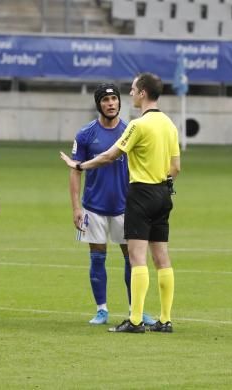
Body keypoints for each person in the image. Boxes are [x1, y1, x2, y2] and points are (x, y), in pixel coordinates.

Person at [60, 72, 180, 334]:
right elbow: (176, 167)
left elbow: (110, 155)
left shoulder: (136, 126)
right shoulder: (170, 124)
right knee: (162, 259)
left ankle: (135, 319)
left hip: (138, 196)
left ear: (143, 93)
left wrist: (79, 165)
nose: (129, 95)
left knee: (136, 259)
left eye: (133, 90)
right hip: (163, 194)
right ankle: (165, 319)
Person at [68, 84, 155, 326]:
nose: (111, 104)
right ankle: (101, 310)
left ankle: (134, 310)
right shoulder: (85, 134)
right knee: (97, 257)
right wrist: (76, 207)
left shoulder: (131, 131)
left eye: (114, 99)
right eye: (105, 100)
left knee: (132, 258)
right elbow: (75, 171)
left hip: (125, 206)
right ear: (99, 104)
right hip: (93, 207)